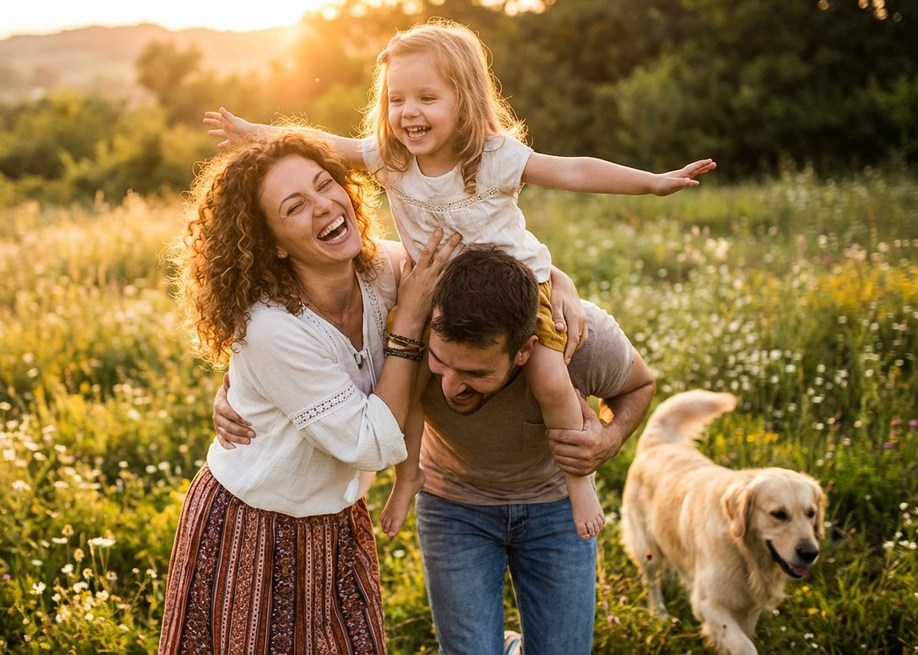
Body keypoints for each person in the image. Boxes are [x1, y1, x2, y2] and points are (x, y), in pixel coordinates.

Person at [205, 17, 713, 541]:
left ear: (465, 101)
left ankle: (577, 478)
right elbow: (325, 142)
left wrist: (650, 183)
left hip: (515, 292)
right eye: (397, 99)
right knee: (418, 381)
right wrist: (253, 134)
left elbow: (573, 171)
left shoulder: (490, 159)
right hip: (444, 297)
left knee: (547, 375)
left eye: (427, 97)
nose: (408, 112)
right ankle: (409, 476)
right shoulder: (394, 160)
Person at [214, 247, 657, 654]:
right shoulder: (408, 331)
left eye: (475, 373)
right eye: (441, 362)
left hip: (556, 507)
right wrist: (234, 385)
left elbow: (639, 385)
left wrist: (610, 438)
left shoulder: (580, 336)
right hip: (454, 507)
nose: (450, 386)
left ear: (524, 350)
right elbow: (304, 342)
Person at [157, 131, 462, 654]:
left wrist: (561, 286)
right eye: (295, 206)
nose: (324, 207)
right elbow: (370, 444)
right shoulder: (270, 328)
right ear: (273, 243)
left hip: (337, 521)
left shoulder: (379, 271)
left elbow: (486, 257)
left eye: (326, 185)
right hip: (251, 530)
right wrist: (408, 323)